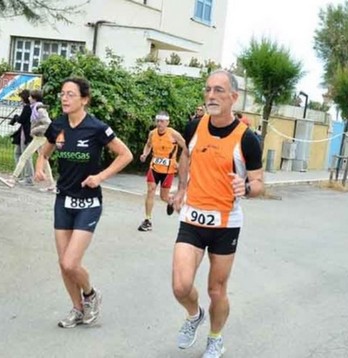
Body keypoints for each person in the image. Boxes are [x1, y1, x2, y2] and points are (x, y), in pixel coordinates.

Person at [171, 70, 263, 358]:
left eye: (219, 90)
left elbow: (260, 183)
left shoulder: (247, 139)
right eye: (208, 89)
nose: (211, 95)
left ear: (234, 97)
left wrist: (246, 187)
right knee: (180, 285)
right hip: (192, 216)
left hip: (226, 222)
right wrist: (181, 188)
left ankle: (215, 337)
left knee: (216, 289)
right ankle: (194, 314)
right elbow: (186, 156)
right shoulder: (194, 127)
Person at [34, 77, 132, 328]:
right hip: (63, 200)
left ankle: (90, 294)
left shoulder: (97, 128)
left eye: (70, 94)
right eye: (62, 94)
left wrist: (100, 177)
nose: (64, 99)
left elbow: (125, 155)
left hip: (88, 203)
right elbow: (44, 152)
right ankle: (77, 309)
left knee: (70, 262)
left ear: (84, 99)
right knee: (63, 264)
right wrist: (39, 168)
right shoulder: (57, 126)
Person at [137, 111, 187, 231]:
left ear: (167, 122)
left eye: (162, 121)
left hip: (168, 170)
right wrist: (145, 154)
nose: (159, 123)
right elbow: (148, 145)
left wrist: (182, 163)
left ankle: (171, 201)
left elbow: (186, 147)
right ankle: (147, 220)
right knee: (151, 190)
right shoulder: (152, 134)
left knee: (164, 197)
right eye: (158, 121)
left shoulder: (174, 134)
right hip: (154, 168)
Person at [0, 89, 56, 191]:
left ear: (34, 98)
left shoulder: (39, 109)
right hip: (39, 137)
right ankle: (52, 185)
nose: (28, 98)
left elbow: (48, 124)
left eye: (30, 97)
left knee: (23, 157)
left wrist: (34, 130)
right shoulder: (35, 108)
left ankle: (12, 179)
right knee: (44, 160)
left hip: (40, 137)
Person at [8, 89, 34, 185]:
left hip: (26, 134)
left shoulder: (28, 107)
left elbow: (22, 120)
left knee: (26, 156)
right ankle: (19, 174)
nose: (20, 100)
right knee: (17, 152)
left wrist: (16, 117)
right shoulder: (28, 107)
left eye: (21, 98)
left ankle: (29, 178)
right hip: (23, 133)